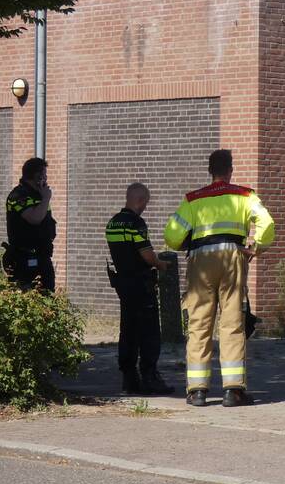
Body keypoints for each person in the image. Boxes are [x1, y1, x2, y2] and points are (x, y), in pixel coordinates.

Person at [164, 150, 274, 408]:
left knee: (199, 323)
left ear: (209, 170)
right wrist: (256, 247)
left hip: (201, 259)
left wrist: (184, 244)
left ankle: (197, 391)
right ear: (231, 170)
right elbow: (267, 223)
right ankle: (233, 391)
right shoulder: (245, 195)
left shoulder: (194, 199)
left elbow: (172, 235)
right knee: (232, 321)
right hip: (232, 256)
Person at [105, 183, 175, 395]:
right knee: (149, 332)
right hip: (140, 284)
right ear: (140, 200)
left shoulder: (113, 223)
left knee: (128, 330)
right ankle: (150, 376)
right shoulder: (136, 223)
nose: (146, 206)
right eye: (146, 202)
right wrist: (160, 264)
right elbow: (146, 253)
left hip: (123, 284)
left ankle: (129, 378)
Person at [5, 157, 57, 292]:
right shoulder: (18, 195)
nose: (46, 179)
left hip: (43, 257)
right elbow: (35, 219)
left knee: (47, 299)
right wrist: (46, 198)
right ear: (37, 176)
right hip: (23, 258)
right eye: (44, 175)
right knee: (26, 298)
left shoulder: (38, 195)